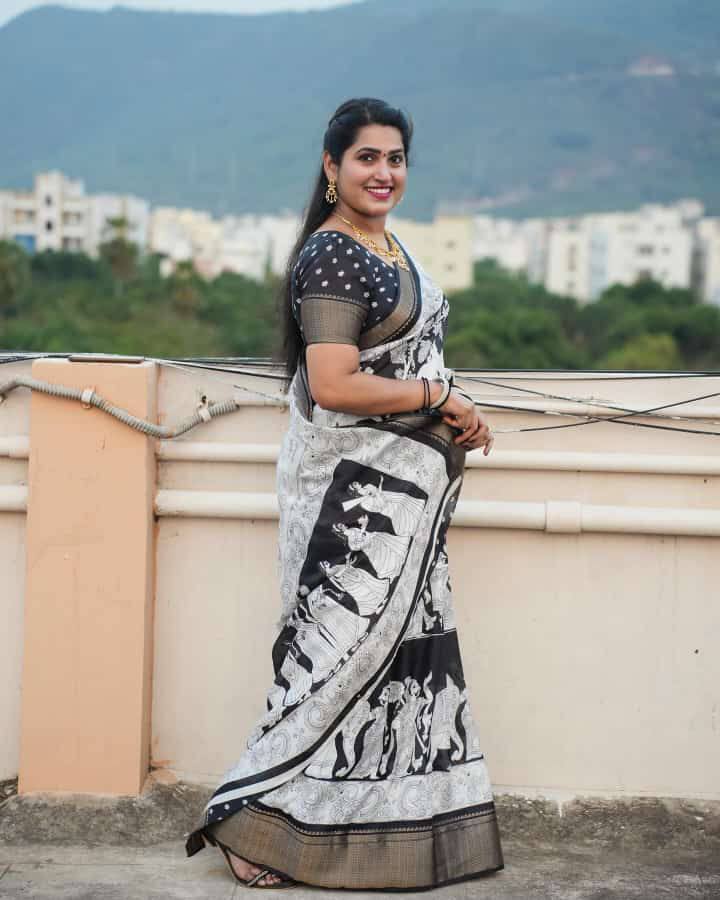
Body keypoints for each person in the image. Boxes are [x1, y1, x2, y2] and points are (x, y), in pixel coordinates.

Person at [184, 97, 504, 890]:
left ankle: (365, 833)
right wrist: (441, 398)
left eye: (396, 159)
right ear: (332, 167)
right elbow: (334, 383)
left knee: (394, 674)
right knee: (326, 662)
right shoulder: (333, 254)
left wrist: (447, 408)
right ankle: (246, 824)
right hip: (353, 508)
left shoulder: (388, 247)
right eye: (367, 157)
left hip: (407, 507)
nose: (384, 172)